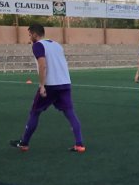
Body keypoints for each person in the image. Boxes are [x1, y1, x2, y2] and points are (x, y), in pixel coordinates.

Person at [10, 24, 85, 153]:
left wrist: (42, 85)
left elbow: (42, 65)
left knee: (35, 112)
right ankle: (79, 144)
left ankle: (24, 143)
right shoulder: (57, 45)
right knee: (70, 113)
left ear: (34, 34)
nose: (29, 38)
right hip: (65, 83)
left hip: (51, 85)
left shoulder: (38, 45)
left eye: (29, 35)